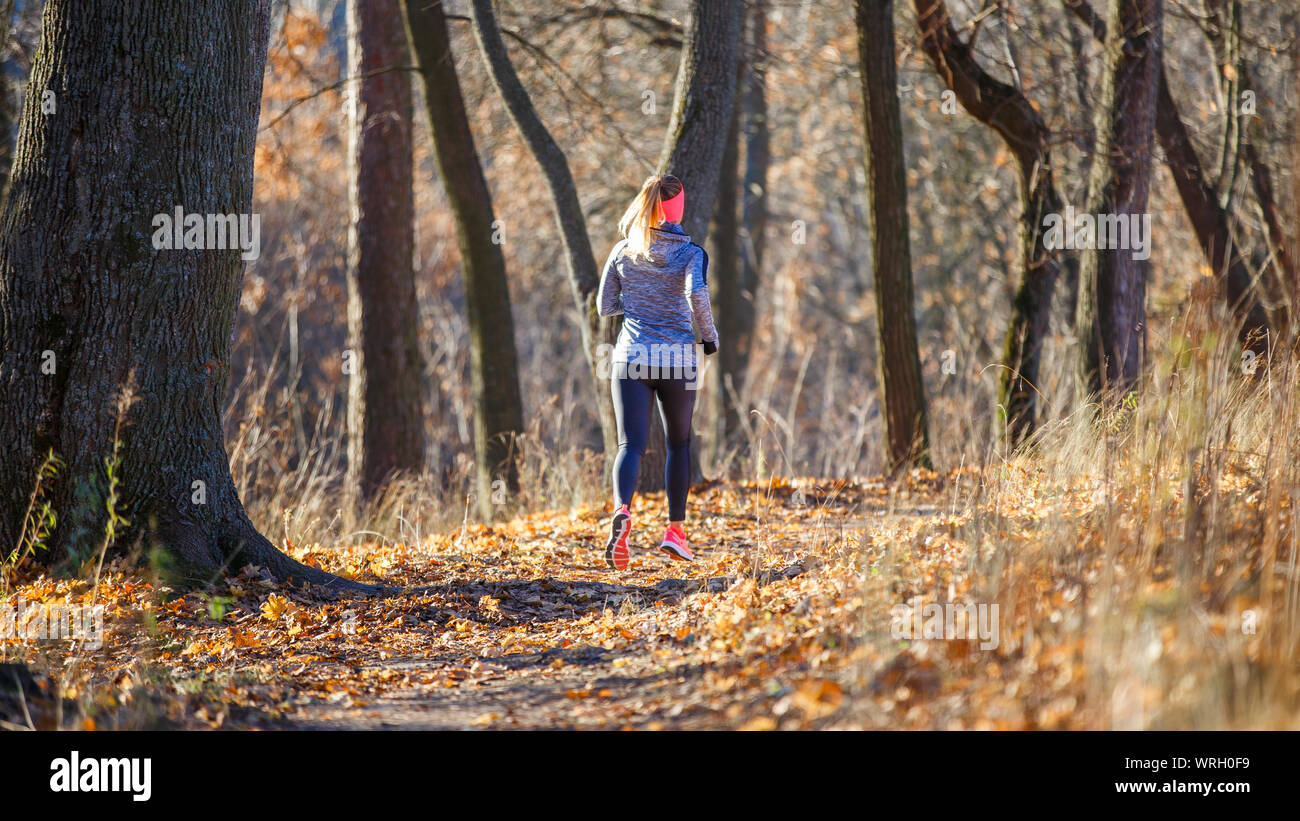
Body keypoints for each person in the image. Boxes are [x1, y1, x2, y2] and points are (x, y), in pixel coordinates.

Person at [596, 174, 719, 570]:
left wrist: (639, 307)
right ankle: (675, 533)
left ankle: (622, 512)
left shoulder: (622, 251)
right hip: (678, 360)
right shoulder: (691, 254)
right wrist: (710, 338)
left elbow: (604, 305)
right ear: (678, 209)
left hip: (630, 357)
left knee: (629, 446)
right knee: (678, 445)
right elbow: (696, 294)